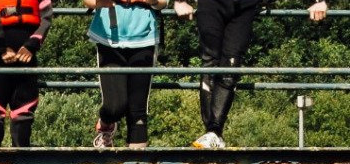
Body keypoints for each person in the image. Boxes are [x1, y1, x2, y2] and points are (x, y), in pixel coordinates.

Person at [173, 0, 329, 148]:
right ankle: (212, 132)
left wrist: (318, 1)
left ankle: (214, 132)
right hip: (211, 4)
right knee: (210, 59)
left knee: (231, 63)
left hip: (245, 6)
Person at [0, 0, 55, 147]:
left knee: (23, 121)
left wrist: (32, 44)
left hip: (27, 61)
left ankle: (23, 163)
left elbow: (46, 19)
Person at [86, 0, 168, 149]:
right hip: (108, 41)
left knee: (137, 112)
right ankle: (106, 124)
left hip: (144, 41)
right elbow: (89, 2)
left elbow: (162, 3)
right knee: (114, 107)